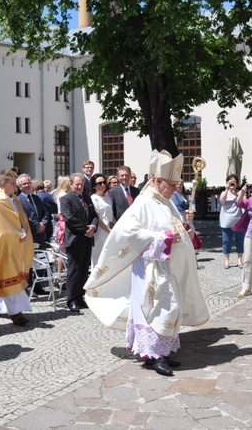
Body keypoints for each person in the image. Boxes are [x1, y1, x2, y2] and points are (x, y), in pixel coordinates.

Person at [85, 150, 209, 377]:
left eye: (176, 185)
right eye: (171, 185)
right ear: (158, 180)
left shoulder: (167, 201)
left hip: (169, 267)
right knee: (162, 307)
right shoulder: (143, 202)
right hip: (150, 268)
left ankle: (161, 351)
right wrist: (163, 238)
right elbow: (127, 232)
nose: (174, 189)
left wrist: (186, 230)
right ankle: (156, 355)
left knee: (170, 307)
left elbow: (175, 226)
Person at [0, 169, 34, 326]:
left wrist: (22, 232)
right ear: (3, 184)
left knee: (12, 277)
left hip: (18, 245)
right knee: (9, 278)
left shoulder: (13, 199)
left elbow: (21, 220)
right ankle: (16, 314)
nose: (16, 186)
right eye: (13, 183)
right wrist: (16, 235)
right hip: (6, 247)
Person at [61, 173, 98, 313]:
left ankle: (80, 297)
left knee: (83, 270)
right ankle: (71, 300)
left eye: (81, 184)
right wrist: (85, 229)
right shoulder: (66, 199)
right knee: (74, 271)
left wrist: (93, 227)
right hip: (75, 239)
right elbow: (69, 218)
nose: (79, 187)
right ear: (70, 184)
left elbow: (94, 215)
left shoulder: (87, 198)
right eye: (76, 184)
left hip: (87, 239)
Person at [17, 174, 50, 249]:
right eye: (24, 184)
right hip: (29, 236)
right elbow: (23, 218)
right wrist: (37, 226)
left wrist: (43, 223)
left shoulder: (36, 198)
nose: (27, 185)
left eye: (28, 183)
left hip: (41, 236)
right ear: (19, 187)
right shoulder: (18, 201)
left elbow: (45, 212)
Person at [219, 174, 245, 269]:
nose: (232, 183)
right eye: (230, 181)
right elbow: (222, 201)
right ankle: (227, 260)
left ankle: (240, 259)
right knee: (226, 241)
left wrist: (241, 193)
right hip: (226, 221)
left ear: (237, 184)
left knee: (240, 241)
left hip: (238, 221)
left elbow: (240, 203)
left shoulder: (240, 193)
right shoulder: (223, 192)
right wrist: (227, 189)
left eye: (234, 181)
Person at [90, 172, 115, 268]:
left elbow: (111, 214)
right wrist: (108, 230)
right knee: (98, 260)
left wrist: (114, 227)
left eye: (104, 182)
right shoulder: (94, 199)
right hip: (100, 232)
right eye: (99, 183)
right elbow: (97, 218)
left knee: (108, 259)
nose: (103, 185)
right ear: (94, 186)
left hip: (110, 231)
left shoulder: (108, 197)